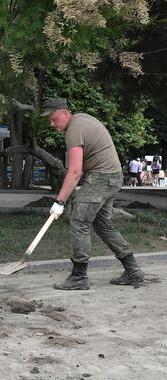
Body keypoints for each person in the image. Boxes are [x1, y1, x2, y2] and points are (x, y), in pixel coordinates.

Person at [42, 97, 145, 291]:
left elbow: (75, 172)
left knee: (79, 220)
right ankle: (133, 271)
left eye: (53, 118)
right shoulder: (81, 119)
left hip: (102, 177)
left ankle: (79, 276)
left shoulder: (73, 131)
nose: (51, 123)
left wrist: (60, 201)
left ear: (65, 113)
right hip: (112, 176)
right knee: (102, 224)